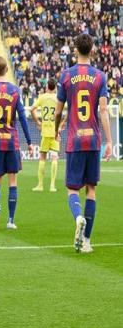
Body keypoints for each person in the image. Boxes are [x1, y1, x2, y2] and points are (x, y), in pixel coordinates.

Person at [54, 34, 112, 254]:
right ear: (92, 49)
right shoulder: (100, 76)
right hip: (93, 139)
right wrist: (109, 141)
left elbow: (58, 111)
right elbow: (103, 111)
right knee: (91, 189)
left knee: (72, 189)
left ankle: (78, 217)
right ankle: (87, 241)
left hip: (75, 139)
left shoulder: (66, 75)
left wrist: (56, 129)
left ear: (75, 50)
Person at [0, 57, 33, 230]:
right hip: (12, 141)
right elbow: (23, 117)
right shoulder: (15, 91)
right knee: (13, 181)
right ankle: (11, 220)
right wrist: (29, 141)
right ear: (6, 70)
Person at [31, 78, 65, 192]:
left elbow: (32, 109)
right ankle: (52, 186)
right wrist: (62, 123)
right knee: (54, 158)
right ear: (55, 88)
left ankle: (40, 185)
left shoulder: (42, 97)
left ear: (47, 87)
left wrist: (38, 122)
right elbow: (70, 109)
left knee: (42, 158)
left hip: (45, 132)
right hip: (55, 132)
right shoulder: (58, 98)